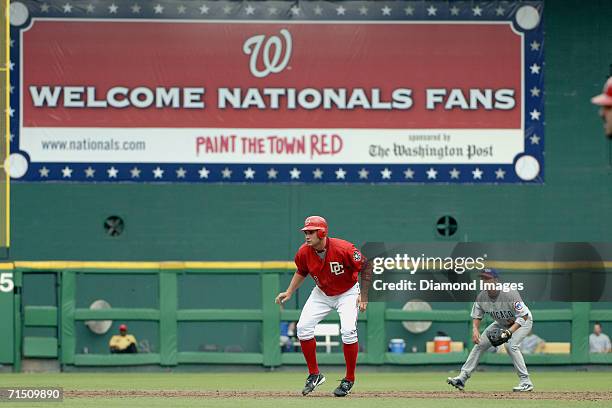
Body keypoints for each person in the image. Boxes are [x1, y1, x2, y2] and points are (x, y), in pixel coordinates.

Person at [275, 216, 371, 397]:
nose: (307, 235)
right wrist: (289, 291)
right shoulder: (304, 252)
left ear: (322, 232)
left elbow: (366, 266)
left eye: (311, 232)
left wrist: (363, 295)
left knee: (349, 330)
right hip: (322, 293)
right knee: (302, 328)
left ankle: (349, 379)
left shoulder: (344, 248)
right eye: (305, 232)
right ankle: (314, 374)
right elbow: (301, 271)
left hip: (348, 292)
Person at [447, 268, 534, 392]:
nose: (485, 281)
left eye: (488, 278)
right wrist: (475, 330)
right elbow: (477, 315)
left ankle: (526, 382)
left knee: (511, 346)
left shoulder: (509, 293)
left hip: (522, 322)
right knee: (480, 344)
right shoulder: (482, 296)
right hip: (501, 323)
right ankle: (462, 378)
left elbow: (523, 316)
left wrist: (509, 332)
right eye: (483, 279)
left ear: (496, 280)